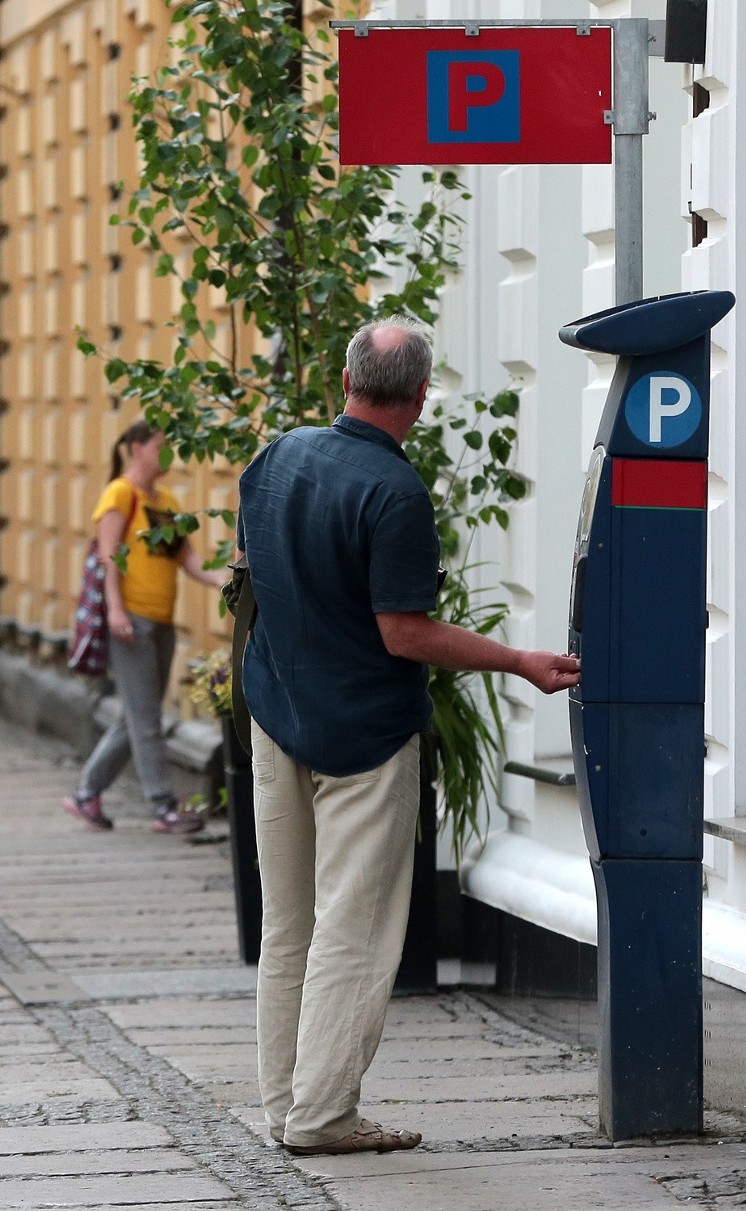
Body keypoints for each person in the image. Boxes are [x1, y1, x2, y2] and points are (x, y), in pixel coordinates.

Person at [237, 316, 581, 1158]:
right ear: (421, 399)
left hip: (276, 716)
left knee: (288, 925)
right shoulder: (394, 494)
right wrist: (517, 659)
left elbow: (250, 567)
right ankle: (322, 1117)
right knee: (352, 928)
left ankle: (286, 1106)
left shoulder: (279, 455)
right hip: (362, 736)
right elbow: (405, 633)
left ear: (345, 379)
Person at [63, 419, 225, 835]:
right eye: (160, 446)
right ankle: (163, 806)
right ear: (136, 448)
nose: (167, 454)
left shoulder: (168, 499)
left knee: (134, 716)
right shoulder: (120, 493)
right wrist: (115, 610)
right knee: (147, 715)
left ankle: (86, 793)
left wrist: (227, 579)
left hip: (162, 620)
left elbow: (186, 559)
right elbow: (108, 556)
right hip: (130, 620)